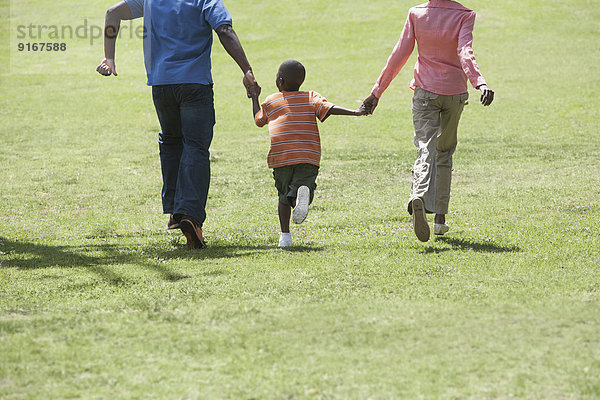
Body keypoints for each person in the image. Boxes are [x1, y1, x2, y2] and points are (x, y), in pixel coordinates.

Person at [96, 0, 260, 249]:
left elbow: (112, 13)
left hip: (161, 85)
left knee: (171, 141)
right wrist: (246, 69)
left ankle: (175, 209)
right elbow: (224, 30)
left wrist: (109, 57)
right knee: (196, 147)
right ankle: (190, 216)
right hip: (195, 85)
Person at [362, 0, 494, 243]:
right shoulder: (464, 15)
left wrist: (377, 92)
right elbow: (465, 51)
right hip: (455, 93)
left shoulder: (417, 13)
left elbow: (399, 54)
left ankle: (418, 196)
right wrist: (480, 83)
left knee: (425, 147)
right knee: (444, 152)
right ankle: (440, 220)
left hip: (425, 92)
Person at [251, 60, 366, 248]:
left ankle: (285, 236)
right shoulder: (310, 97)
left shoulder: (271, 101)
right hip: (307, 154)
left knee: (282, 196)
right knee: (302, 185)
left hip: (281, 156)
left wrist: (254, 98)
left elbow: (258, 120)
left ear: (280, 81)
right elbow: (329, 109)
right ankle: (299, 197)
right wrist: (355, 112)